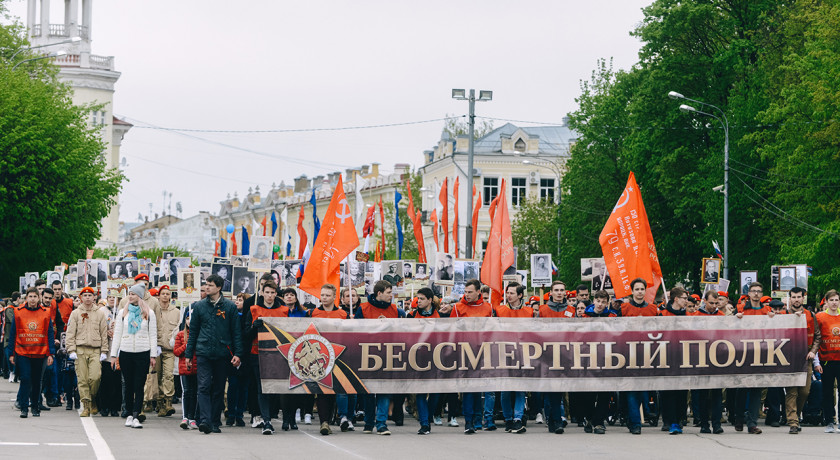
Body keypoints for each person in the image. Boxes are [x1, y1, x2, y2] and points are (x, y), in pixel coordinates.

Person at [185, 274, 244, 434]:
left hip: (222, 353)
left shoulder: (230, 307)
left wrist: (238, 353)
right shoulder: (199, 306)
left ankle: (215, 421)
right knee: (203, 386)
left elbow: (236, 332)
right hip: (203, 352)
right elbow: (193, 332)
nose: (207, 288)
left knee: (218, 388)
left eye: (210, 285)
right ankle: (204, 420)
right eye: (206, 285)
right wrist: (188, 354)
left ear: (218, 287)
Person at [356, 280, 406, 435]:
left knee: (384, 390)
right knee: (368, 391)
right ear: (379, 293)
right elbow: (355, 330)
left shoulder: (396, 311)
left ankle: (382, 423)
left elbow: (403, 330)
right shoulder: (363, 309)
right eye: (389, 292)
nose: (391, 295)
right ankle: (369, 422)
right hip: (368, 354)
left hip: (387, 354)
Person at [110, 283, 158, 429]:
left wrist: (153, 355)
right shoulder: (123, 313)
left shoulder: (149, 313)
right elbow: (117, 334)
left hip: (143, 352)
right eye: (129, 294)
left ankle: (137, 414)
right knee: (128, 385)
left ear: (140, 296)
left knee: (139, 385)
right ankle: (129, 414)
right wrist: (113, 354)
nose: (130, 296)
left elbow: (153, 334)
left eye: (133, 294)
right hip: (126, 352)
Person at [243, 281, 287, 435]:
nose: (269, 296)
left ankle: (276, 416)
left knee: (274, 388)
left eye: (272, 293)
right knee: (262, 388)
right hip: (258, 354)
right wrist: (253, 326)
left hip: (278, 355)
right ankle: (266, 421)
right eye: (267, 292)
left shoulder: (284, 310)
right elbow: (246, 335)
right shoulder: (254, 309)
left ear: (276, 293)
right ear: (261, 292)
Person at [451, 279, 494, 434]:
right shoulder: (457, 307)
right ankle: (468, 421)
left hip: (483, 351)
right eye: (465, 292)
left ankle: (478, 419)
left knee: (480, 387)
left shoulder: (488, 307)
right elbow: (451, 330)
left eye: (470, 292)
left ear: (478, 292)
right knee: (468, 388)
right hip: (465, 351)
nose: (467, 295)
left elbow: (492, 329)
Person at [6, 287, 56, 418]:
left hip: (40, 352)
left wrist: (51, 353)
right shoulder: (18, 312)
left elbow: (50, 333)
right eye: (30, 296)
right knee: (25, 378)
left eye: (35, 296)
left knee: (36, 380)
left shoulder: (45, 312)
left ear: (38, 298)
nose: (33, 299)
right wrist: (11, 353)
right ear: (26, 298)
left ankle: (35, 406)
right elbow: (13, 334)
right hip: (22, 352)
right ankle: (24, 407)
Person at [307, 284, 347, 435]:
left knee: (336, 390)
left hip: (339, 355)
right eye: (322, 295)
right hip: (320, 356)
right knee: (322, 389)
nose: (324, 298)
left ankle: (335, 418)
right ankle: (324, 422)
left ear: (334, 297)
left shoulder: (343, 314)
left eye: (327, 295)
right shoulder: (313, 313)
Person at [732, 281, 773, 434]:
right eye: (753, 291)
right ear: (748, 294)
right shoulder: (740, 309)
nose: (756, 293)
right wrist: (735, 318)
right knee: (741, 389)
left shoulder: (767, 310)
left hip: (760, 353)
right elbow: (728, 326)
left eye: (759, 291)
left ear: (762, 294)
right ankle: (738, 418)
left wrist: (773, 318)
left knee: (756, 389)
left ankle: (752, 423)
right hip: (743, 353)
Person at [494, 282, 533, 434]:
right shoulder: (499, 310)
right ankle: (508, 419)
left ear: (520, 295)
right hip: (504, 352)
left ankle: (518, 418)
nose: (508, 296)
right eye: (507, 293)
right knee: (505, 389)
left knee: (520, 388)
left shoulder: (529, 312)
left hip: (523, 353)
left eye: (511, 293)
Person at [65, 287, 109, 417]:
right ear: (81, 297)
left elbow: (104, 333)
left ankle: (93, 397)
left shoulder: (99, 313)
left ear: (94, 297)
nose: (88, 297)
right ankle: (86, 405)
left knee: (95, 377)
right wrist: (71, 349)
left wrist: (104, 350)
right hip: (80, 349)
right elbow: (70, 333)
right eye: (85, 295)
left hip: (95, 350)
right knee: (82, 379)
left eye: (90, 295)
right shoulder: (75, 313)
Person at [784, 287, 821, 434]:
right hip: (788, 359)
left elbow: (817, 336)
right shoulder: (784, 315)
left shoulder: (811, 315)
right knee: (792, 391)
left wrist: (813, 352)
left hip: (806, 358)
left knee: (805, 391)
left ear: (803, 298)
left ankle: (795, 415)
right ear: (790, 299)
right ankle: (793, 422)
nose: (796, 300)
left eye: (799, 297)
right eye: (793, 297)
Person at [688, 290, 725, 434]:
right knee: (702, 393)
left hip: (718, 359)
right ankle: (704, 423)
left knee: (717, 393)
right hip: (701, 358)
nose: (714, 306)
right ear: (704, 301)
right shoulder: (696, 317)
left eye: (716, 303)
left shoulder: (721, 316)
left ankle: (716, 424)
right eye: (711, 303)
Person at [657, 287, 689, 435]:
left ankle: (680, 418)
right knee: (667, 391)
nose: (686, 301)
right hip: (666, 356)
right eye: (684, 298)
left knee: (682, 391)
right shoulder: (662, 314)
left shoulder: (688, 315)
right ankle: (669, 421)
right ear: (676, 299)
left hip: (684, 357)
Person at [154, 286, 180, 417]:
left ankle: (168, 401)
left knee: (168, 375)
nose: (165, 296)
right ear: (158, 296)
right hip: (157, 349)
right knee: (157, 376)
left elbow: (178, 329)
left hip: (169, 349)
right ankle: (159, 402)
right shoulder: (154, 310)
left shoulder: (176, 312)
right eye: (162, 293)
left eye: (167, 294)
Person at [816, 289, 840, 433]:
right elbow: (816, 339)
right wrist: (817, 362)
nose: (834, 303)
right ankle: (829, 421)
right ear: (826, 302)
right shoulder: (820, 317)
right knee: (827, 392)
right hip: (826, 360)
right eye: (831, 300)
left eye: (836, 300)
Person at [98, 294, 122, 417]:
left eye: (115, 297)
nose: (113, 299)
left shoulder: (123, 310)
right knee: (106, 379)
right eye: (110, 296)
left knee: (116, 379)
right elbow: (97, 326)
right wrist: (106, 330)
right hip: (106, 350)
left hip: (118, 350)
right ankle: (104, 406)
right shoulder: (102, 311)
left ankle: (115, 406)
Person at [174, 309, 198, 430]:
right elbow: (176, 352)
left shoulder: (199, 334)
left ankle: (192, 417)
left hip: (197, 367)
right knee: (186, 391)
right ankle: (185, 417)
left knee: (195, 393)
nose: (190, 321)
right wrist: (186, 346)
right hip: (184, 368)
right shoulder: (180, 335)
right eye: (188, 319)